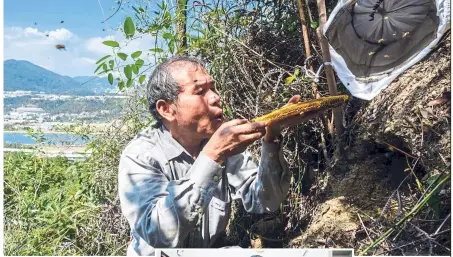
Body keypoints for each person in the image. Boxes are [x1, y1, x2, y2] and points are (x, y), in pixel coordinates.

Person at [118, 56, 317, 256]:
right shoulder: (141, 156)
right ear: (167, 109)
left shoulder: (221, 141)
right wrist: (212, 155)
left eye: (213, 88)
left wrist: (271, 137)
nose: (215, 97)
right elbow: (160, 235)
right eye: (200, 91)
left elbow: (266, 200)